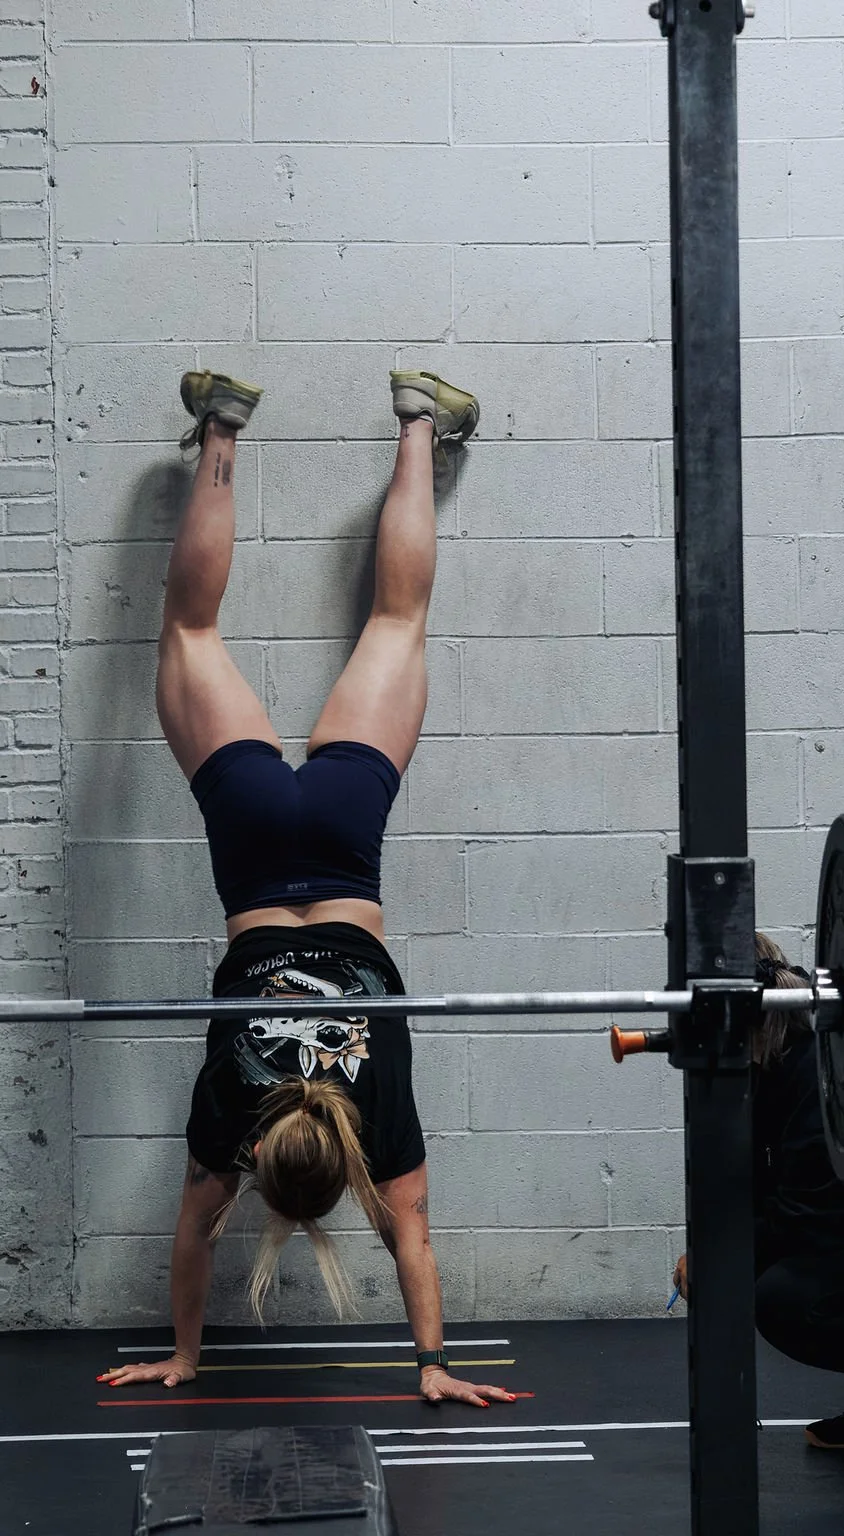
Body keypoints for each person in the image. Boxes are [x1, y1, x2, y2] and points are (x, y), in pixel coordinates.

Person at [99, 369, 513, 1411]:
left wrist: (434, 1361)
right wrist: (183, 1354)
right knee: (191, 629)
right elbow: (194, 1233)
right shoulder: (227, 1123)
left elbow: (411, 1235)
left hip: (341, 849)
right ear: (263, 1171)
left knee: (396, 622)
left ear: (345, 1176)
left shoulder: (376, 1130)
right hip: (250, 851)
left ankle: (418, 422)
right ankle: (222, 434)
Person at [673, 932, 844, 1481]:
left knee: (786, 1299)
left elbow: (821, 1216)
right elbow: (760, 1186)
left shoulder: (824, 1072)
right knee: (769, 1277)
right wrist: (713, 1247)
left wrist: (726, 1256)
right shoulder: (770, 1067)